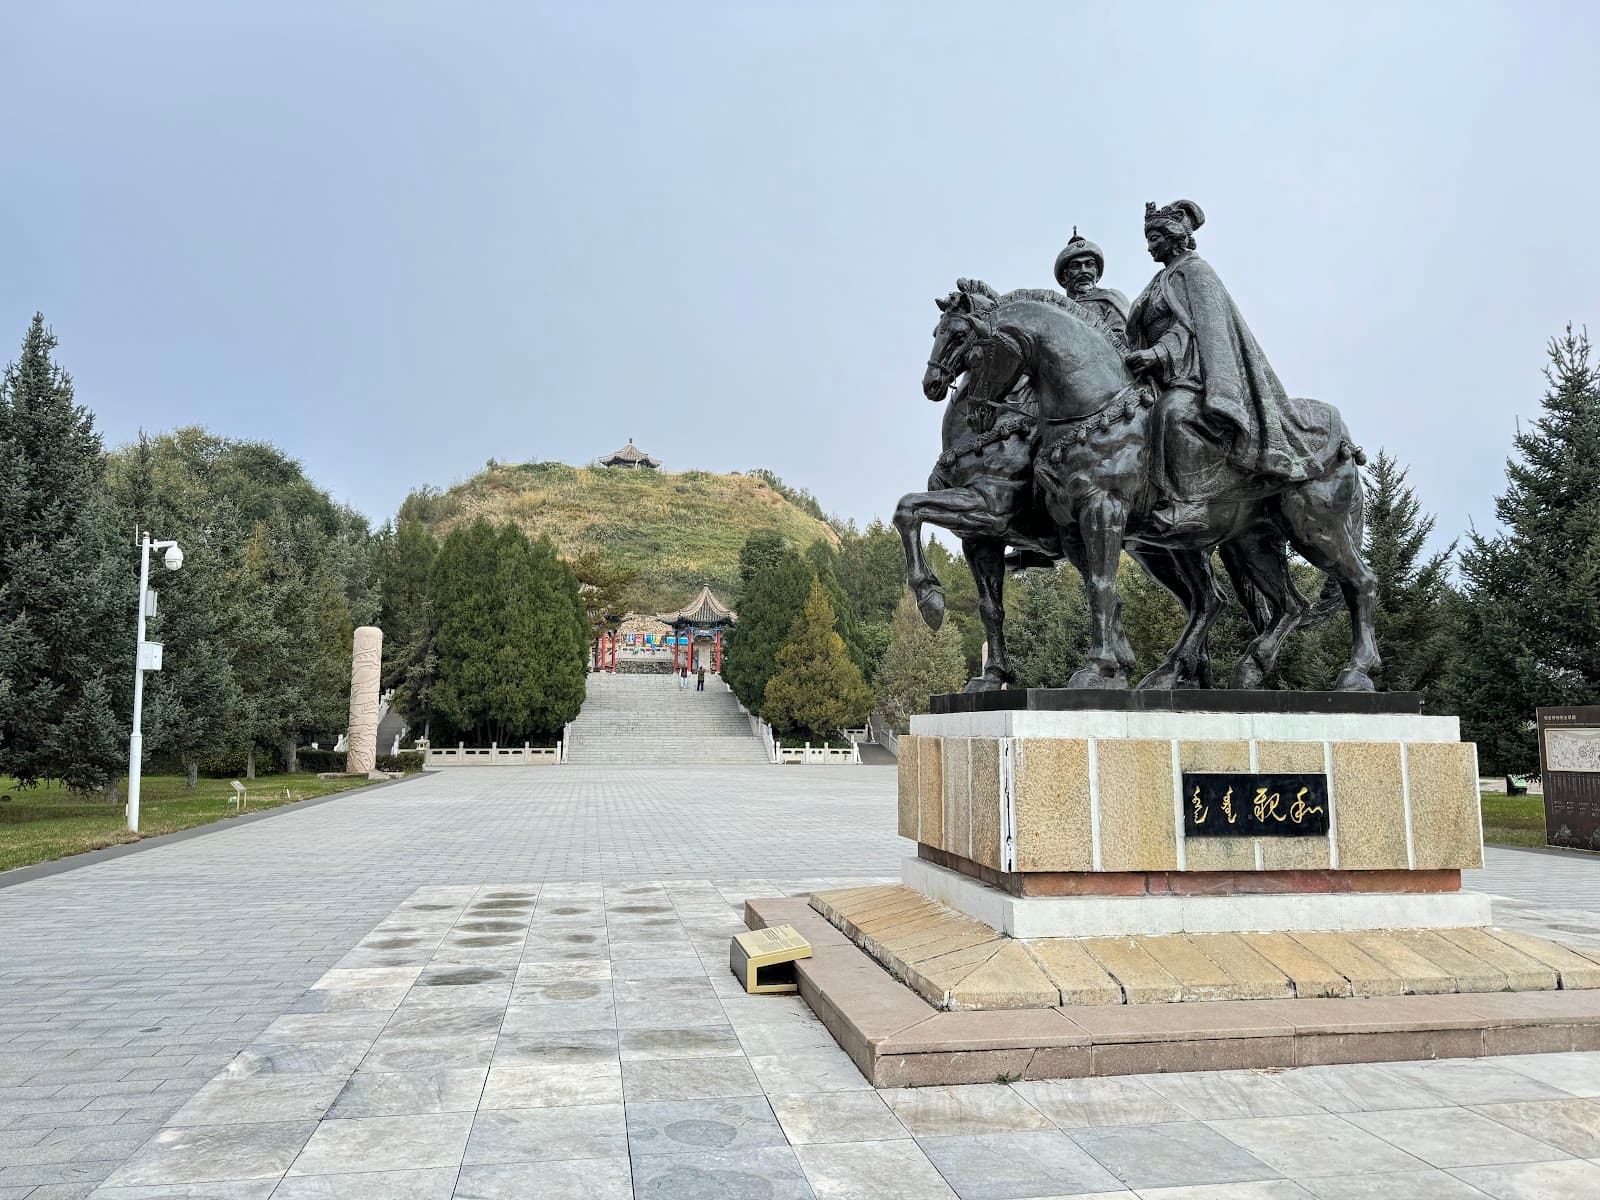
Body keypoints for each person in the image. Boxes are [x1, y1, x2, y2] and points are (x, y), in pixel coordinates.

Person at [1124, 199, 1326, 535]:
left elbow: (1196, 326)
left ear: (1173, 235)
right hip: (1157, 375)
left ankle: (1191, 504)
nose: (1149, 247)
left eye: (1154, 238)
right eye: (1147, 240)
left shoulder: (1195, 271)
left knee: (1174, 413)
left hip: (1192, 373)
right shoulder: (1161, 279)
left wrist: (1158, 354)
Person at [1053, 228, 1130, 339]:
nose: (1084, 270)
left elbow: (1123, 339)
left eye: (1089, 264)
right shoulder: (1056, 308)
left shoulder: (1110, 299)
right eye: (1076, 266)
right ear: (1064, 276)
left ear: (1097, 273)